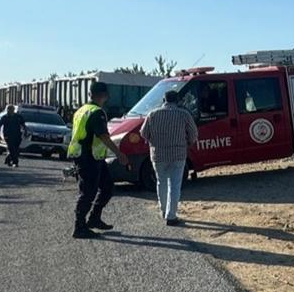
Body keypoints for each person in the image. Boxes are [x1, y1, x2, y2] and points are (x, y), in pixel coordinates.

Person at [67, 82, 130, 239]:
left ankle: (94, 218)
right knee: (88, 192)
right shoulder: (97, 112)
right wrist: (119, 153)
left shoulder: (82, 110)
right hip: (88, 158)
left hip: (91, 156)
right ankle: (79, 226)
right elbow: (103, 135)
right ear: (104, 95)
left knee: (107, 186)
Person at [139, 89, 198, 226]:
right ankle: (171, 215)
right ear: (177, 101)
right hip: (178, 154)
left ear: (164, 100)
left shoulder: (152, 114)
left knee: (161, 182)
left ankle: (163, 210)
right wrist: (188, 142)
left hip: (158, 154)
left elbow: (143, 133)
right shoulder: (184, 114)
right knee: (175, 185)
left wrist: (152, 141)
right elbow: (193, 133)